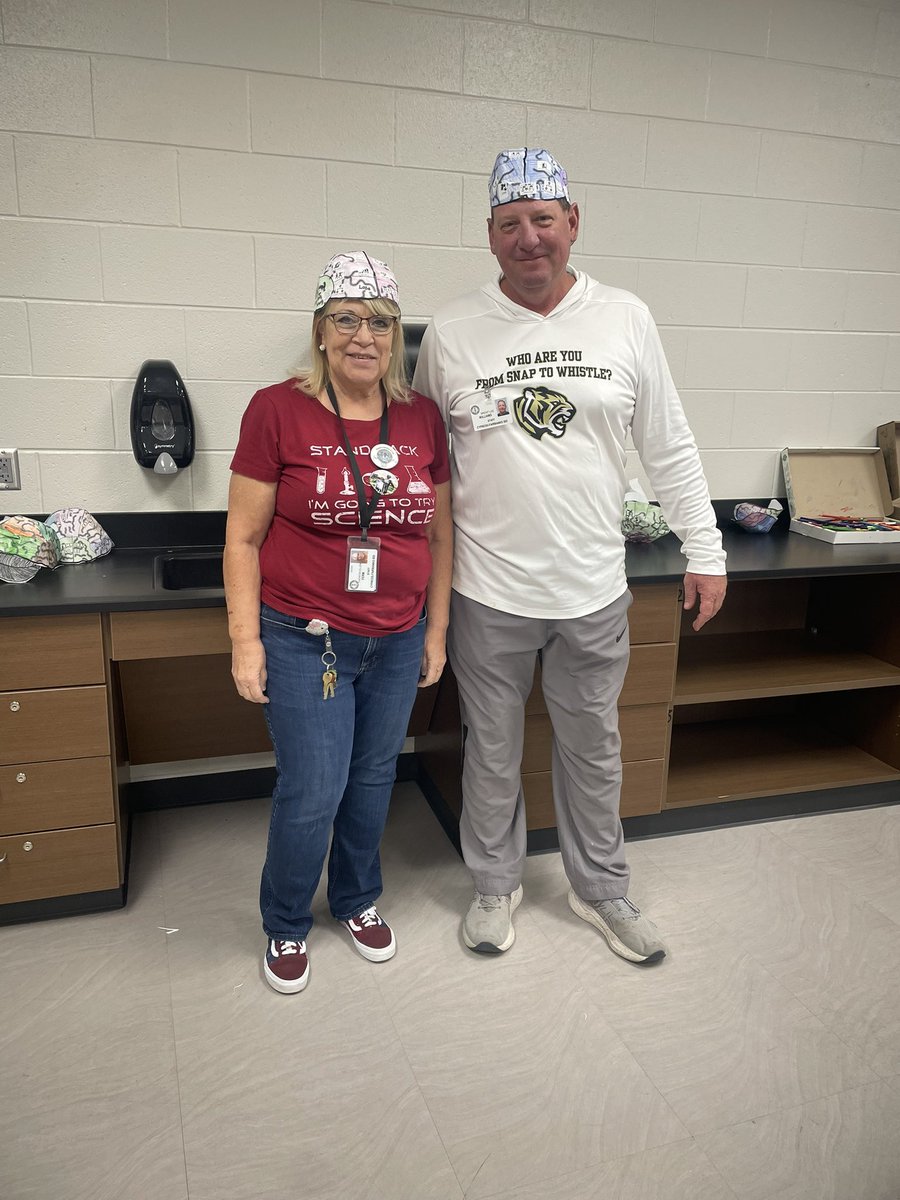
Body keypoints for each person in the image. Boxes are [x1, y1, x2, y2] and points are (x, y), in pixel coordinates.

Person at [413, 148, 726, 965]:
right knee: (491, 747)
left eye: (543, 221)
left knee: (593, 746)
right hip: (488, 591)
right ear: (489, 236)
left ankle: (602, 890)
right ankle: (494, 886)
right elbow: (422, 464)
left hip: (592, 589)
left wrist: (707, 547)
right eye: (510, 224)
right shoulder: (450, 331)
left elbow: (668, 444)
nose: (529, 239)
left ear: (572, 223)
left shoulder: (625, 317)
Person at [225, 251, 452, 994]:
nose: (365, 336)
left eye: (380, 322)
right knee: (314, 786)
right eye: (346, 320)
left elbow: (440, 536)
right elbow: (242, 539)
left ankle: (355, 898)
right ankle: (287, 920)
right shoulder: (277, 408)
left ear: (395, 334)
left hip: (396, 638)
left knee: (373, 777)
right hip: (305, 638)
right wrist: (245, 643)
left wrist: (436, 631)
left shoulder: (421, 416)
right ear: (320, 330)